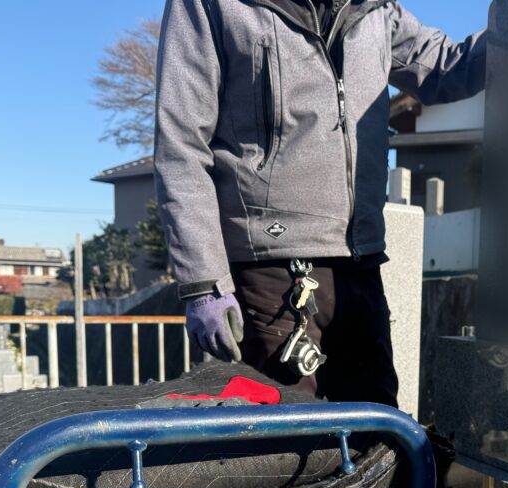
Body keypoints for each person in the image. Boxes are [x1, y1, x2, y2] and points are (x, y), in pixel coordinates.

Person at [155, 0, 487, 407]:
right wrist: (203, 284)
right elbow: (182, 145)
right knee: (289, 436)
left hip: (360, 260)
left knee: (375, 425)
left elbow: (450, 69)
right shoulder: (216, 6)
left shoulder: (375, 10)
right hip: (270, 268)